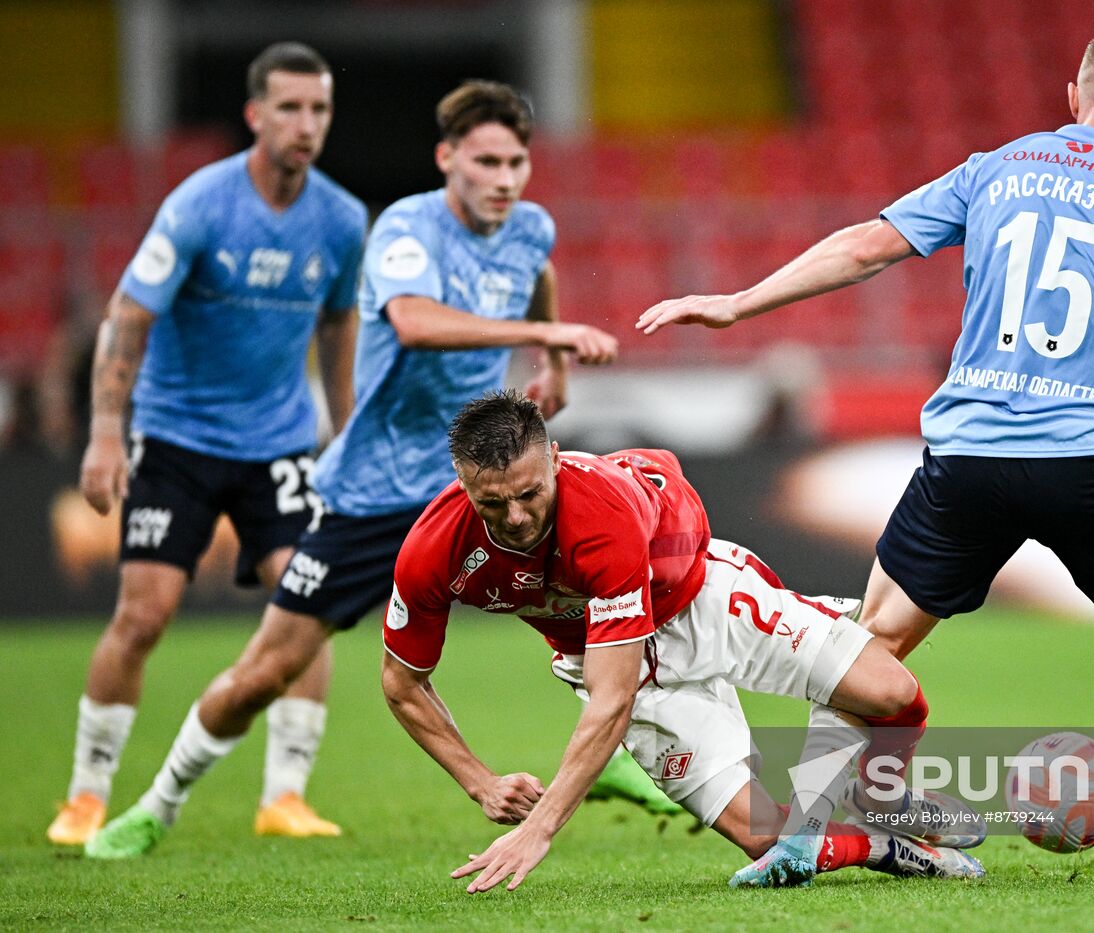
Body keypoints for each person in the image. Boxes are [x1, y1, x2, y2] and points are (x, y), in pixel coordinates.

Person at [638, 26, 1094, 880]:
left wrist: (741, 301)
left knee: (870, 638)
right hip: (1091, 460)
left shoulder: (994, 166)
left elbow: (864, 246)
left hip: (969, 455)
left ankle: (808, 824)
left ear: (1074, 98)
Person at [83, 80, 623, 859]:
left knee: (597, 624)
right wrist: (548, 328)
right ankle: (158, 802)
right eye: (487, 162)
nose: (505, 179)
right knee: (267, 670)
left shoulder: (531, 227)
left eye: (517, 162)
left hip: (472, 490)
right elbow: (413, 320)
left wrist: (556, 366)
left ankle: (642, 770)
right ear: (447, 159)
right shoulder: (405, 229)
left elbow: (537, 266)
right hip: (374, 492)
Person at [382, 391, 986, 893]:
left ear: (556, 461)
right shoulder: (433, 551)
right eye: (492, 503)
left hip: (702, 600)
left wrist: (539, 828)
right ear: (462, 485)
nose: (515, 517)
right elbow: (402, 683)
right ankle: (891, 852)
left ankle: (879, 796)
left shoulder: (599, 518)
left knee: (890, 691)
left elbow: (610, 700)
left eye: (529, 494)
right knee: (767, 838)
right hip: (619, 660)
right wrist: (479, 781)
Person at [48, 42, 366, 846]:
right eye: (290, 108)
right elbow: (129, 313)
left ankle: (283, 797)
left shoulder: (340, 219)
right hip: (180, 439)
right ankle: (85, 796)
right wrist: (106, 434)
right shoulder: (199, 205)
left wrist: (346, 433)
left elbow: (338, 324)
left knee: (308, 606)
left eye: (319, 109)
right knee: (144, 615)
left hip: (282, 443)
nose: (306, 124)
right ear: (256, 115)